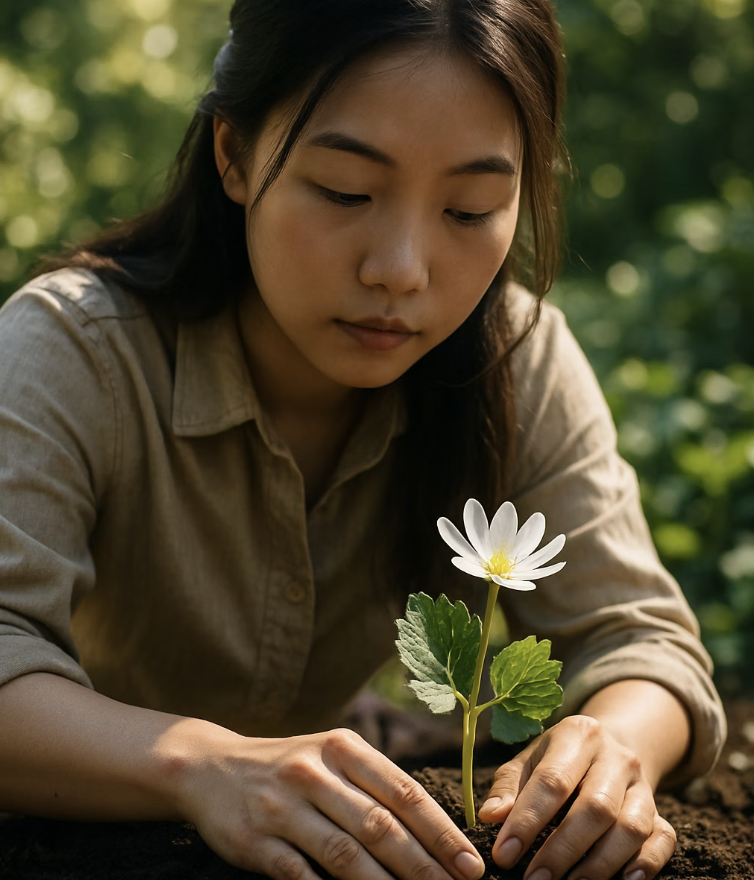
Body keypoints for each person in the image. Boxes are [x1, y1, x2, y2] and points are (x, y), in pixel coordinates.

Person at [0, 1, 726, 879]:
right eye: (347, 191)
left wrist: (611, 750)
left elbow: (643, 643)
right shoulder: (73, 351)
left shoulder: (515, 365)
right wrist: (203, 765)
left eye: (470, 209)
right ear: (234, 153)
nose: (402, 269)